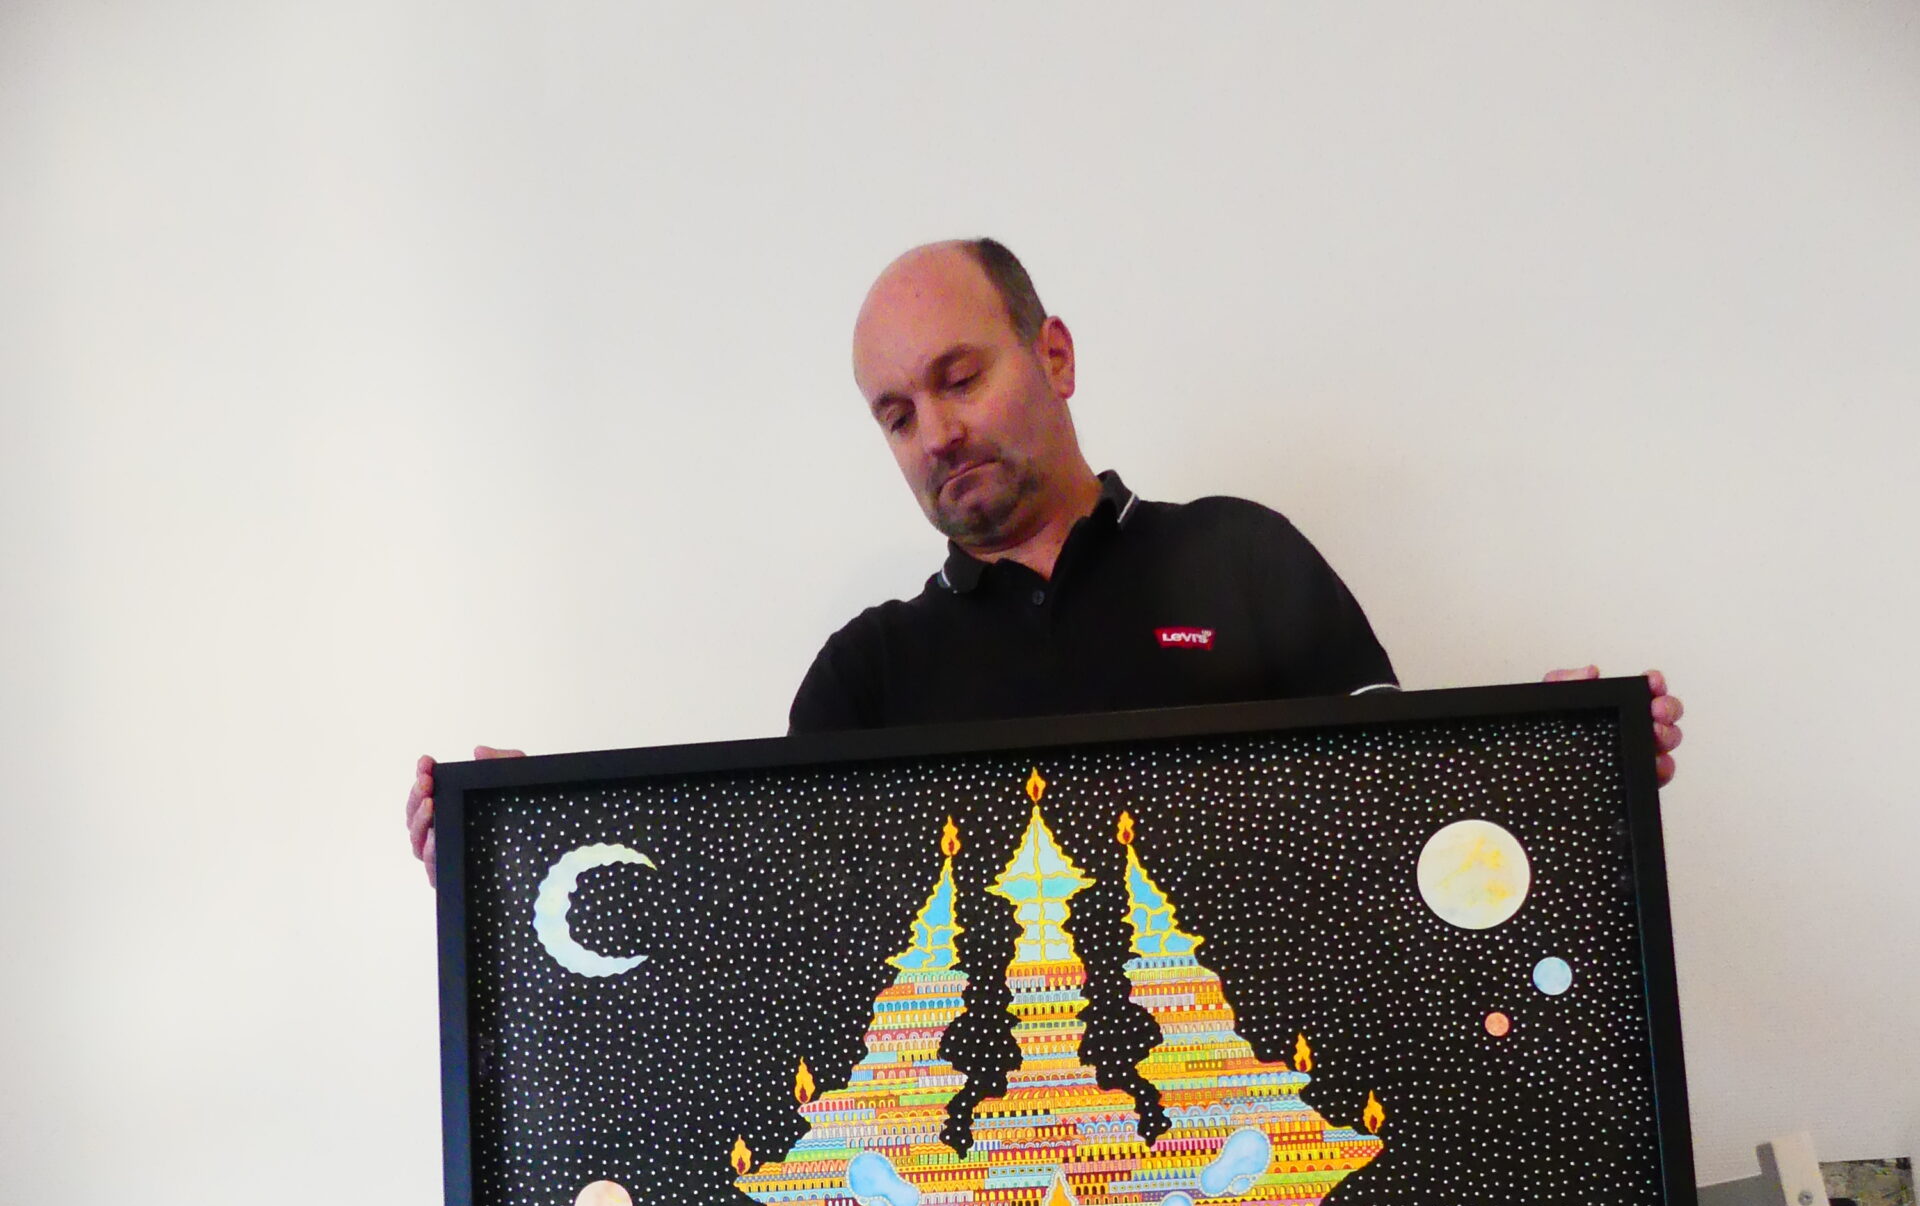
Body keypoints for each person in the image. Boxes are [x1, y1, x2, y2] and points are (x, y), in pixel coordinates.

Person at [406, 239, 1681, 879]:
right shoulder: (866, 673)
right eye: (896, 413)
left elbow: (1401, 812)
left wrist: (1559, 767)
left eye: (959, 378)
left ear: (1054, 356)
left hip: (1262, 1150)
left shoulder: (1241, 554)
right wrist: (515, 842)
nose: (936, 432)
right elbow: (771, 922)